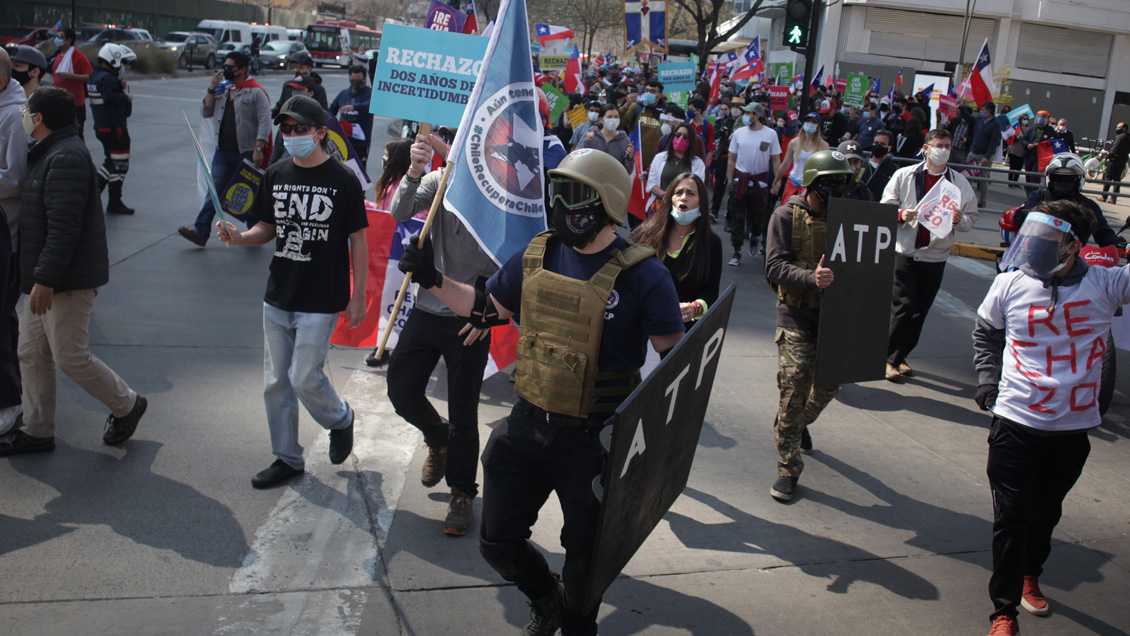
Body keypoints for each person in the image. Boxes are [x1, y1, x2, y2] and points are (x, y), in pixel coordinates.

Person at [397, 148, 685, 636]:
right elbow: (488, 308)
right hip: (526, 425)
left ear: (608, 203)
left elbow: (675, 362)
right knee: (496, 542)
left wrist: (647, 447)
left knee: (584, 562)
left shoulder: (644, 275)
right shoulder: (538, 253)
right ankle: (545, 600)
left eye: (578, 195)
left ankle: (574, 622)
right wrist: (433, 278)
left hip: (594, 441)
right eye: (560, 192)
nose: (565, 205)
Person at [972, 199, 1129, 636]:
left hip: (1071, 428)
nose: (1034, 248)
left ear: (1073, 247)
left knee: (1046, 512)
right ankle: (1003, 611)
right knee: (1010, 515)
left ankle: (1030, 571)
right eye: (1031, 238)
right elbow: (986, 330)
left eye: (1046, 241)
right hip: (1014, 421)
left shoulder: (1107, 284)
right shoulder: (1010, 283)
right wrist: (987, 379)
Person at [214, 95, 368, 488]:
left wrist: (358, 295)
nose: (292, 134)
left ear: (320, 132)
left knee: (303, 377)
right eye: (286, 127)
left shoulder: (343, 181)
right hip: (279, 293)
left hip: (321, 298)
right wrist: (239, 237)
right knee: (275, 382)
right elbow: (265, 228)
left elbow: (359, 241)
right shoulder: (277, 173)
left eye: (300, 128)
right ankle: (286, 457)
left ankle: (340, 418)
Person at [0, 87, 147, 457]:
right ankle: (37, 431)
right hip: (43, 276)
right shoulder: (49, 151)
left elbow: (65, 228)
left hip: (65, 280)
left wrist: (45, 279)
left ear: (40, 119)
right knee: (32, 353)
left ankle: (127, 404)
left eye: (28, 111)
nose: (23, 116)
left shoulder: (64, 157)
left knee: (69, 355)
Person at [385, 133, 499, 536]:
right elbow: (399, 210)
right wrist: (414, 170)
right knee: (401, 390)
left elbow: (514, 255)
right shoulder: (438, 180)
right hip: (427, 307)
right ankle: (438, 437)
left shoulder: (501, 190)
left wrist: (489, 312)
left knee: (464, 410)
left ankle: (462, 492)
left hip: (471, 317)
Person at [764, 150, 855, 502]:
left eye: (843, 182)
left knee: (829, 384)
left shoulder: (847, 218)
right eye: (832, 182)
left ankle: (798, 424)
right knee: (792, 393)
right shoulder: (786, 215)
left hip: (836, 318)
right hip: (797, 316)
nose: (838, 189)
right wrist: (810, 278)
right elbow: (774, 267)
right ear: (815, 183)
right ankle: (788, 468)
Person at [882, 129, 978, 382]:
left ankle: (901, 356)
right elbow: (886, 207)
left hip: (935, 256)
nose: (943, 150)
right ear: (926, 148)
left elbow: (971, 219)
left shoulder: (959, 183)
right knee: (904, 305)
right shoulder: (905, 175)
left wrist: (961, 220)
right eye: (939, 145)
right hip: (905, 252)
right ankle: (888, 357)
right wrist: (901, 215)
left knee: (920, 311)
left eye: (947, 146)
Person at [178, 52, 271, 247]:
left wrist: (259, 147)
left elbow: (264, 121)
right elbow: (206, 111)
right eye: (224, 66)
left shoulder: (255, 92)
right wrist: (211, 89)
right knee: (214, 190)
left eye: (230, 67)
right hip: (223, 151)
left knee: (249, 194)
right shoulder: (222, 90)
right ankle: (201, 231)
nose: (225, 70)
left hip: (246, 152)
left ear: (243, 69)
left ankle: (255, 233)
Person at [631, 173, 721, 330]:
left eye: (691, 193)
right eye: (678, 192)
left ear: (702, 202)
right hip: (642, 328)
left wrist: (695, 308)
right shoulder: (646, 233)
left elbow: (711, 292)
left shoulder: (711, 242)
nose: (683, 198)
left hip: (682, 332)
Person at [1015, 153, 1127, 250]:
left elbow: (1103, 233)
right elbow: (1019, 218)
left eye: (1068, 179)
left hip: (1073, 259)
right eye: (1058, 178)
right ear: (1050, 178)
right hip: (1034, 253)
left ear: (1079, 180)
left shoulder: (1088, 205)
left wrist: (1118, 243)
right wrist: (1029, 213)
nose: (1063, 183)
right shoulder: (1038, 196)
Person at [0, 48, 25, 435]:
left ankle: (9, 401)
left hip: (6, 228)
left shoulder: (13, 115)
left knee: (2, 318)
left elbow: (12, 178)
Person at [726, 101, 781, 265]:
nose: (745, 116)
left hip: (760, 183)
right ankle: (736, 251)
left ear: (757, 116)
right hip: (740, 181)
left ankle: (755, 236)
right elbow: (731, 159)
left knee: (759, 217)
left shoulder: (770, 134)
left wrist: (777, 181)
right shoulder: (738, 133)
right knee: (737, 218)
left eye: (748, 113)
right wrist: (730, 181)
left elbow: (776, 160)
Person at [87, 44, 135, 215]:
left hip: (102, 126)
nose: (122, 65)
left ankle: (93, 197)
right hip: (115, 127)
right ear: (112, 59)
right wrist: (124, 96)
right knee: (120, 164)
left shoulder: (95, 76)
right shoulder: (107, 79)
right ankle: (114, 201)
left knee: (110, 162)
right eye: (121, 61)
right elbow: (109, 97)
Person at [645, 122, 706, 214]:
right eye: (677, 135)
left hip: (684, 208)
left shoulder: (698, 163)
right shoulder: (660, 158)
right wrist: (667, 196)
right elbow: (651, 185)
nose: (680, 139)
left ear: (691, 141)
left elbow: (698, 189)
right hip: (659, 206)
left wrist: (678, 199)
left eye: (685, 137)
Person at [771, 112, 828, 204]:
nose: (810, 124)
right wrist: (776, 181)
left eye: (813, 122)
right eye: (808, 121)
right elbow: (785, 164)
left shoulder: (824, 146)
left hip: (810, 185)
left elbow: (824, 169)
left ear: (818, 126)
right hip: (793, 182)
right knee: (786, 210)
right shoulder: (794, 143)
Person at [47, 29, 93, 138]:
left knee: (76, 135)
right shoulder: (56, 56)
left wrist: (70, 76)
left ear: (68, 40)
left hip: (75, 104)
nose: (56, 39)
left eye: (60, 37)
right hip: (58, 103)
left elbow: (90, 76)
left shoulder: (78, 56)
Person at [330, 65, 374, 169]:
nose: (355, 82)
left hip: (361, 143)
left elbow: (369, 106)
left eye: (358, 80)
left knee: (359, 172)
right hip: (343, 140)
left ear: (364, 79)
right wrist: (331, 121)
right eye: (353, 80)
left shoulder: (370, 94)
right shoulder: (343, 94)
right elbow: (332, 109)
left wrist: (354, 107)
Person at [619, 79, 665, 171]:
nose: (648, 93)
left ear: (659, 95)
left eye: (652, 91)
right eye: (647, 91)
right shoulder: (636, 107)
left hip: (655, 163)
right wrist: (627, 105)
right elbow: (621, 122)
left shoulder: (665, 112)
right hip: (634, 160)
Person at [576, 103, 634, 173]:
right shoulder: (591, 134)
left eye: (616, 117)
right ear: (601, 119)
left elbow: (628, 171)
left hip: (611, 181)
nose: (613, 120)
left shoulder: (624, 140)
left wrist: (629, 158)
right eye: (609, 117)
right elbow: (578, 158)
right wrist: (588, 142)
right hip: (590, 178)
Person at [968, 102, 1003, 209]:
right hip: (973, 152)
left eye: (983, 110)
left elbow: (994, 142)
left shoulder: (995, 124)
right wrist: (962, 105)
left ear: (989, 111)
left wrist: (987, 156)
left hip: (984, 156)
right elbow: (967, 117)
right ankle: (967, 199)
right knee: (967, 177)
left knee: (982, 180)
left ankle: (982, 201)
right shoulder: (978, 120)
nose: (981, 111)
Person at [709, 100, 736, 222]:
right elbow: (714, 135)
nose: (724, 111)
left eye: (727, 109)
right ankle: (714, 212)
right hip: (722, 158)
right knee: (719, 185)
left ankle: (731, 215)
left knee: (734, 187)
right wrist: (721, 132)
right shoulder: (721, 121)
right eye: (722, 109)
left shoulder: (743, 124)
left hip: (737, 160)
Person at [860, 130, 898, 201]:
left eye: (882, 144)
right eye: (876, 143)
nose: (878, 146)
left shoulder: (893, 169)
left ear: (889, 148)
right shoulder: (861, 164)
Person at [1023, 111, 1055, 192]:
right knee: (1028, 175)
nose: (1041, 119)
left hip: (1040, 157)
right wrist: (1027, 145)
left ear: (1047, 119)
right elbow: (1024, 139)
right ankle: (1028, 192)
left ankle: (1033, 193)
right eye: (1040, 117)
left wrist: (1040, 145)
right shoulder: (1032, 128)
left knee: (1034, 176)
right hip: (1029, 155)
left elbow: (1053, 143)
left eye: (1044, 117)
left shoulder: (1050, 131)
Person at [1100, 121, 1128, 204]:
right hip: (1123, 160)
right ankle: (1113, 198)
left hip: (1114, 159)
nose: (1117, 129)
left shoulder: (1120, 137)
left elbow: (1115, 148)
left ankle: (1104, 196)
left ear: (1124, 128)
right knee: (1117, 179)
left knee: (1108, 177)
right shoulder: (1128, 137)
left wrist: (1107, 157)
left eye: (1119, 127)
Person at [1007, 114, 1029, 188]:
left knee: (1019, 168)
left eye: (1027, 119)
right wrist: (1017, 138)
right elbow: (1010, 139)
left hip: (1022, 152)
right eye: (1024, 118)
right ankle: (1010, 182)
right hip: (1014, 150)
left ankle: (1015, 181)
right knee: (1013, 167)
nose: (1025, 120)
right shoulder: (1016, 128)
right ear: (1020, 119)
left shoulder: (1029, 129)